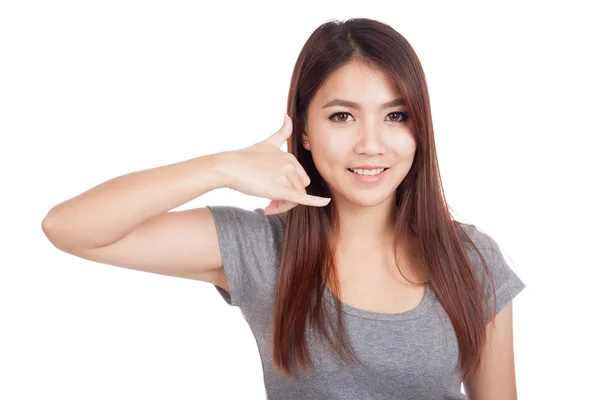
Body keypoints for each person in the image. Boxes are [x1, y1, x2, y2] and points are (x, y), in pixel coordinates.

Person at [41, 17, 526, 399]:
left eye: (396, 115)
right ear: (305, 132)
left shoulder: (471, 256)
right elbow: (69, 228)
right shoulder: (262, 248)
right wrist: (221, 167)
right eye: (343, 116)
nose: (372, 144)